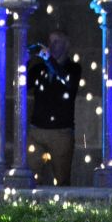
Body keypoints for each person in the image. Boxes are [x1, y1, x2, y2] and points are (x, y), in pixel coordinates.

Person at [27, 29, 81, 186]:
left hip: (61, 132)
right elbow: (22, 84)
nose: (51, 45)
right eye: (50, 42)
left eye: (56, 41)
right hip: (37, 131)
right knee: (31, 177)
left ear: (66, 45)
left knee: (62, 179)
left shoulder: (73, 68)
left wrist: (49, 60)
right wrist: (24, 60)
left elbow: (67, 80)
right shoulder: (39, 69)